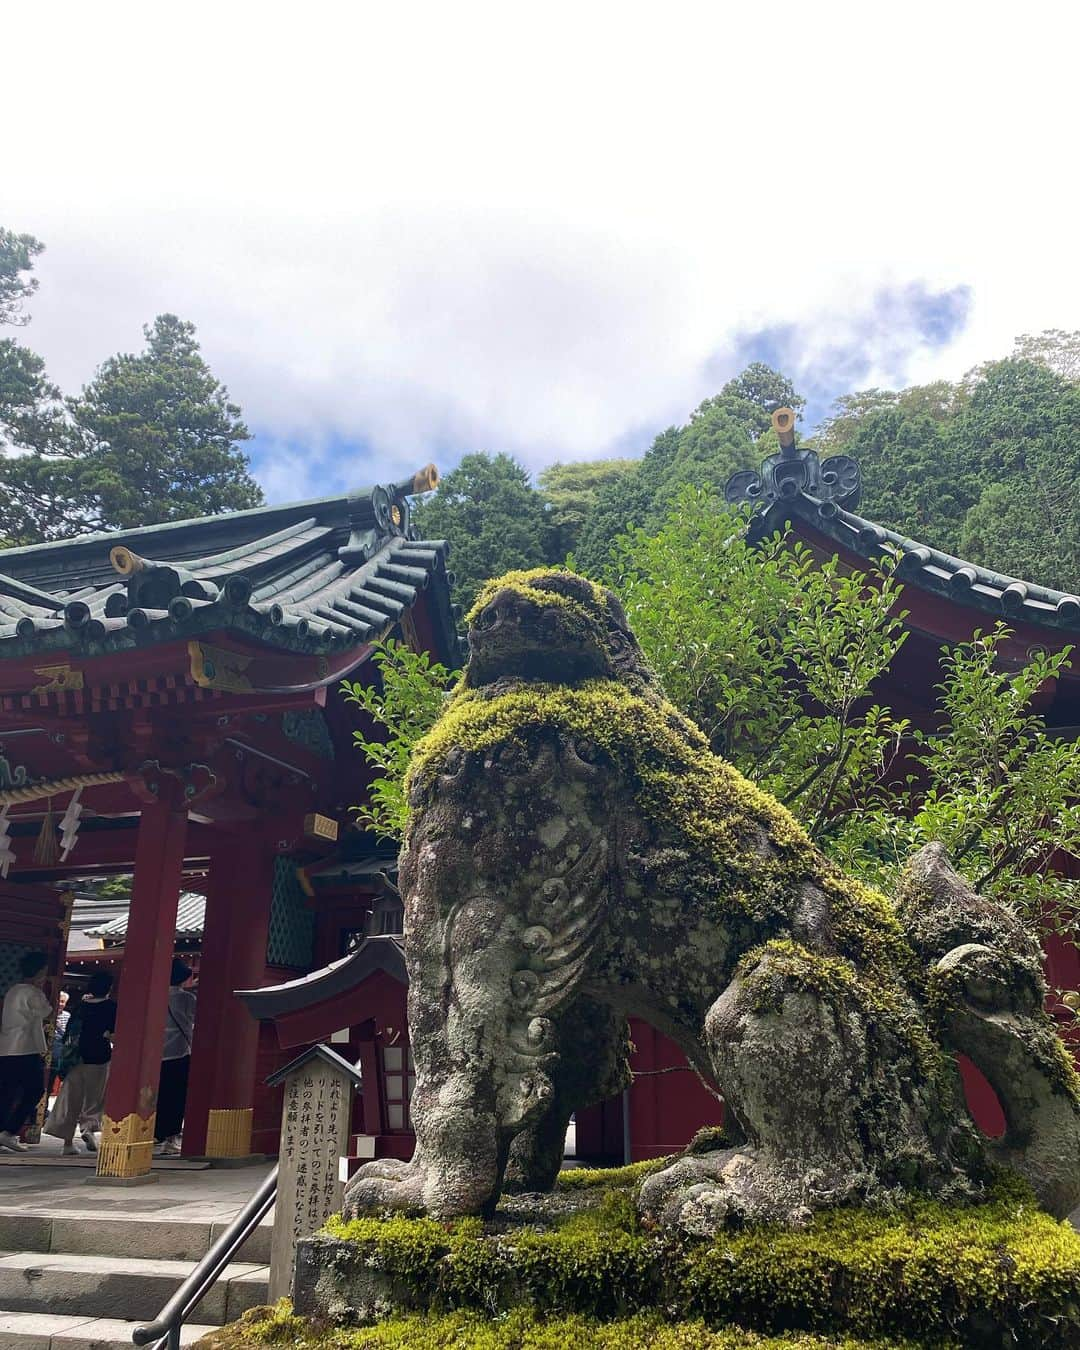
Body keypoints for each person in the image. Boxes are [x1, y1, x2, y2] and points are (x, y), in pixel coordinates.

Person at [44, 971, 116, 1155]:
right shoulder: (111, 1007)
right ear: (108, 988)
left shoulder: (79, 1007)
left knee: (71, 1098)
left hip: (75, 1058)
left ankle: (67, 1142)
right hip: (99, 1055)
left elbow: (68, 1033)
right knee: (95, 1097)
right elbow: (114, 1032)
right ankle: (88, 1127)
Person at [0, 952, 51, 1152]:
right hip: (26, 1048)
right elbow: (47, 1011)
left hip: (6, 1048)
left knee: (7, 1092)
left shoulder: (13, 990)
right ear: (39, 972)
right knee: (35, 1089)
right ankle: (9, 1131)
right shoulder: (33, 992)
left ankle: (3, 1130)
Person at [154, 958, 196, 1157]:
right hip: (179, 1052)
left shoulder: (155, 996)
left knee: (157, 1096)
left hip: (155, 1054)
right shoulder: (187, 999)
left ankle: (154, 1133)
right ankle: (170, 1138)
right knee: (175, 1097)